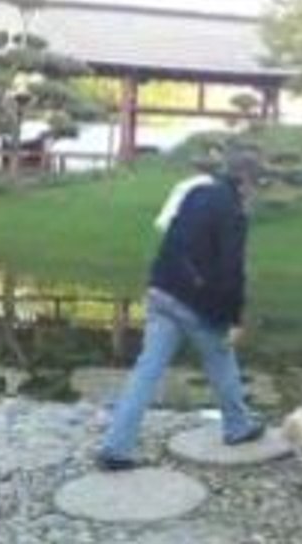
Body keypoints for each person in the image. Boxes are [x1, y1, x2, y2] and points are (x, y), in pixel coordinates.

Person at [97, 148, 264, 471]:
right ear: (244, 181)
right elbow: (232, 270)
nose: (255, 191)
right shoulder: (233, 211)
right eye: (255, 184)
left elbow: (172, 235)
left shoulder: (196, 191)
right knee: (221, 359)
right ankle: (238, 427)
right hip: (196, 302)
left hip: (162, 289)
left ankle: (116, 447)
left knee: (146, 372)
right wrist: (235, 318)